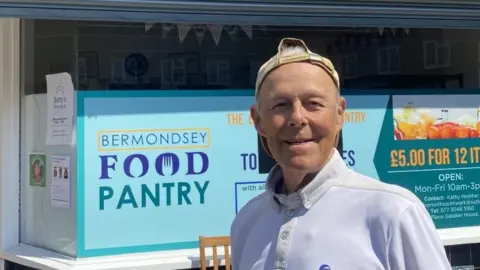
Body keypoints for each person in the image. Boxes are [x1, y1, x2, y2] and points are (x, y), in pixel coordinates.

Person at [230, 38, 450, 270]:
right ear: (257, 120)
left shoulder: (393, 214)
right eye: (280, 105)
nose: (297, 118)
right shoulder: (247, 222)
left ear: (339, 115)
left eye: (313, 103)